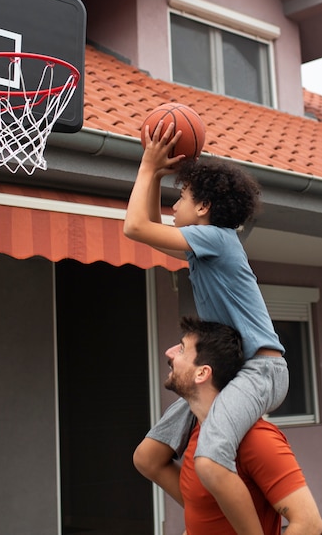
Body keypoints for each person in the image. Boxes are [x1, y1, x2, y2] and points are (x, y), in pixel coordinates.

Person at [124, 121, 289, 535]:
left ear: (203, 209)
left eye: (179, 197)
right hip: (229, 375)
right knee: (148, 457)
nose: (173, 206)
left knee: (211, 459)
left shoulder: (218, 238)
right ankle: (215, 518)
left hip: (260, 371)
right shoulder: (205, 249)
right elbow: (144, 227)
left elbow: (135, 227)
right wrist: (157, 174)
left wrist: (148, 166)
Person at [157, 316, 322, 535]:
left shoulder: (257, 439)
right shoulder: (198, 434)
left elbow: (309, 524)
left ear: (202, 373)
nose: (169, 353)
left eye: (181, 350)